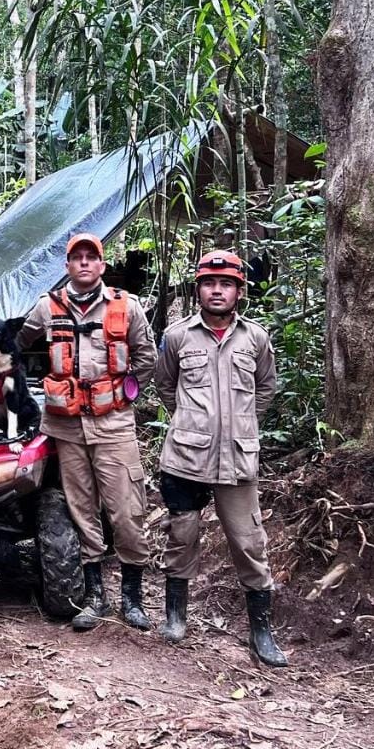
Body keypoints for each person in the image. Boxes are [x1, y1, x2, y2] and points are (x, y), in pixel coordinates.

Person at [17, 233, 157, 631]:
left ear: (101, 264)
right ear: (67, 266)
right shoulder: (48, 307)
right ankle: (95, 596)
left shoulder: (126, 306)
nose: (83, 264)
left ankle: (132, 598)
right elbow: (18, 343)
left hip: (113, 424)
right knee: (81, 509)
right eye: (76, 258)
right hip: (65, 425)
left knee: (127, 510)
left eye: (90, 258)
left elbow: (147, 356)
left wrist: (125, 391)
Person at [154, 249, 287, 667]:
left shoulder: (256, 338)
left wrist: (240, 423)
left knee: (249, 542)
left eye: (225, 284)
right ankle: (175, 616)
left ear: (238, 292)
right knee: (182, 536)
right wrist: (194, 425)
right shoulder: (177, 336)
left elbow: (265, 388)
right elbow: (164, 385)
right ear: (198, 290)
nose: (217, 290)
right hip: (185, 459)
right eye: (209, 283)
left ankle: (261, 631)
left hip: (238, 459)